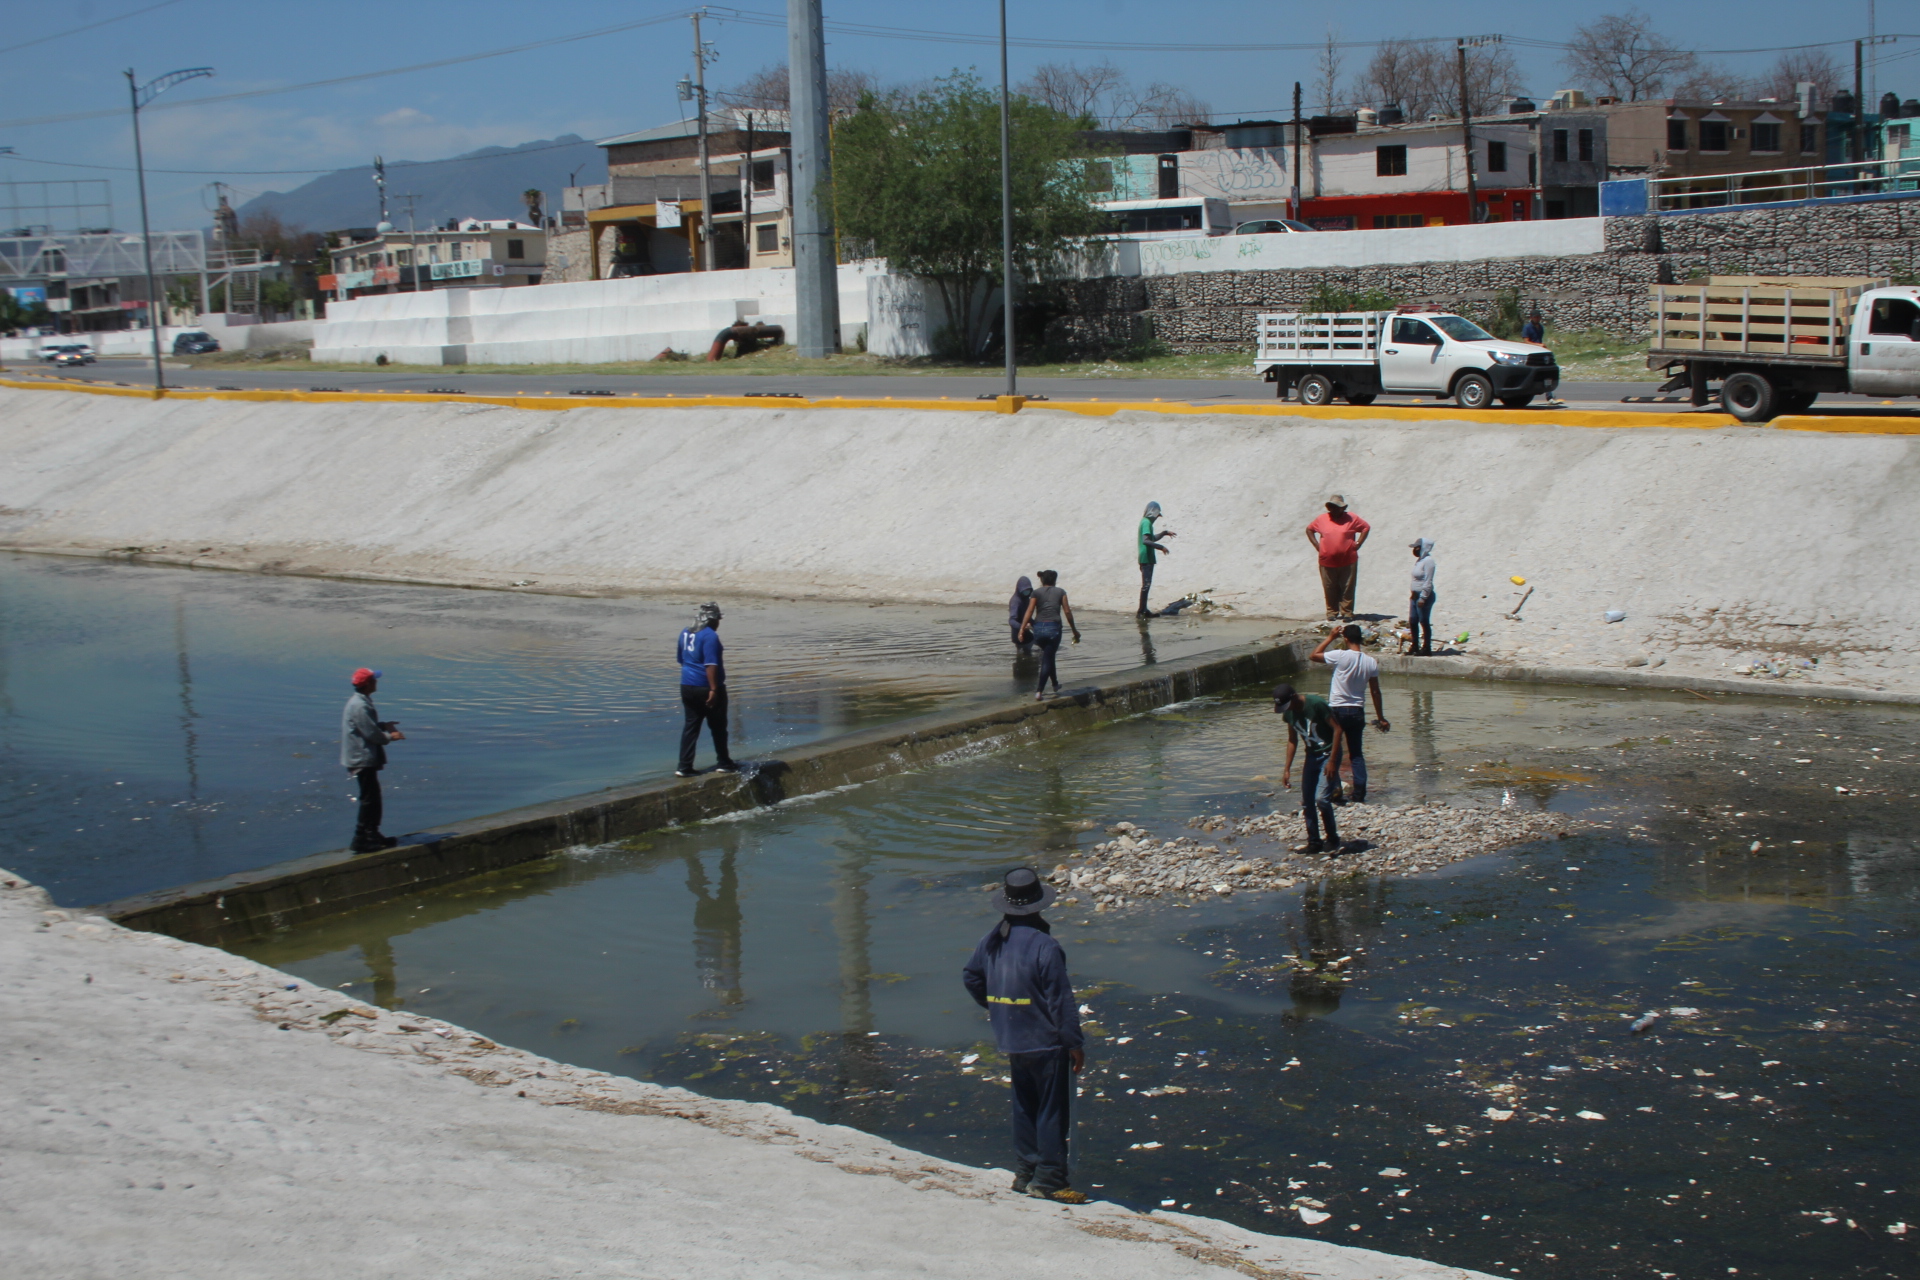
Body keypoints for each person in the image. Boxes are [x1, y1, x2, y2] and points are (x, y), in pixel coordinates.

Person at [962, 867, 1089, 1205]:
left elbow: (971, 977)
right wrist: (1075, 1043)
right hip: (1046, 1041)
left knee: (1024, 1106)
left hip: (1012, 1038)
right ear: (1038, 906)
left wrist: (997, 1007)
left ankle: (1025, 1174)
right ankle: (1049, 1180)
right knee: (1051, 1110)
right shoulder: (1045, 945)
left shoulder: (991, 941)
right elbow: (1060, 1001)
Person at [1310, 624, 1389, 805]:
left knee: (1333, 751)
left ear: (1345, 639)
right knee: (1356, 754)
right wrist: (1381, 717)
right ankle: (1359, 795)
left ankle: (1334, 790)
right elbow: (1375, 691)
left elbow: (1313, 655)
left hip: (1337, 710)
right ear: (1360, 638)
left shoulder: (1340, 655)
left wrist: (1330, 637)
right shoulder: (1371, 662)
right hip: (1357, 711)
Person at [1273, 682, 1346, 855]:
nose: (1287, 709)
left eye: (1287, 705)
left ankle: (1333, 838)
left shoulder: (1316, 704)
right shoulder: (1289, 714)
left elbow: (1338, 730)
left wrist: (1332, 761)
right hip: (1311, 756)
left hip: (1328, 754)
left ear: (1294, 697)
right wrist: (1287, 769)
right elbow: (1292, 740)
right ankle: (1314, 841)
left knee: (1322, 799)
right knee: (1307, 801)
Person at [341, 667, 404, 854]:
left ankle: (372, 835)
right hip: (361, 758)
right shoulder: (360, 705)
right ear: (368, 684)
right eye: (374, 680)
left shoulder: (361, 701)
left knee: (373, 797)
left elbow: (368, 726)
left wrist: (383, 725)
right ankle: (361, 839)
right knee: (369, 799)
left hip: (362, 757)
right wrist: (391, 736)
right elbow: (371, 734)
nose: (377, 682)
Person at [676, 602, 739, 777]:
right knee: (718, 726)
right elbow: (711, 664)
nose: (718, 623)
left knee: (691, 726)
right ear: (711, 620)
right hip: (706, 687)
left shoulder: (685, 632)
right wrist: (713, 689)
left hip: (687, 685)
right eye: (717, 619)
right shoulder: (709, 636)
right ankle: (724, 762)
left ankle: (684, 766)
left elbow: (681, 659)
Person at [1017, 569, 1081, 701]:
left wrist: (1022, 629)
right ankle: (1039, 691)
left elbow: (1030, 611)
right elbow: (1067, 612)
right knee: (1047, 658)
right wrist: (1074, 630)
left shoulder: (1036, 593)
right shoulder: (1061, 592)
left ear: (1042, 580)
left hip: (1038, 629)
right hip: (1053, 628)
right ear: (1054, 580)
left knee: (1048, 655)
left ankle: (1055, 684)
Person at [1304, 493, 1370, 621]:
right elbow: (1309, 529)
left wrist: (1359, 543)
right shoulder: (1322, 519)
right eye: (1332, 507)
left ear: (1343, 508)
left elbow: (1366, 528)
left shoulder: (1352, 518)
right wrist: (1317, 545)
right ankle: (1332, 612)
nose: (1334, 509)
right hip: (1327, 560)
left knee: (1347, 587)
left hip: (1348, 559)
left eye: (1337, 507)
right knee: (1329, 586)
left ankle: (1347, 612)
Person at [1136, 501, 1175, 617]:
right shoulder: (1146, 522)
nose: (1157, 517)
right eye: (1157, 515)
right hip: (1146, 557)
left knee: (1146, 584)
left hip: (1147, 557)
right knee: (1146, 584)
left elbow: (1152, 538)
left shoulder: (1145, 522)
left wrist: (1164, 533)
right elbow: (1146, 541)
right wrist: (1161, 547)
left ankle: (1143, 609)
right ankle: (1141, 611)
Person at [1408, 538, 1436, 656]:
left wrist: (1423, 597)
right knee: (1413, 620)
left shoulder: (1429, 561)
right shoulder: (1420, 561)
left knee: (1423, 621)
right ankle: (1415, 645)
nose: (1415, 550)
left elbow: (1428, 581)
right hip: (1414, 595)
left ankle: (1426, 647)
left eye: (1417, 547)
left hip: (1424, 596)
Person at [1008, 575, 1035, 651]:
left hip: (1026, 633)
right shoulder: (1015, 601)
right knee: (1026, 653)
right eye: (1025, 590)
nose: (1027, 592)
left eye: (1028, 590)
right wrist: (1022, 627)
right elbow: (1011, 621)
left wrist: (1035, 624)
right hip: (1018, 634)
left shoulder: (1026, 599)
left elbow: (1028, 617)